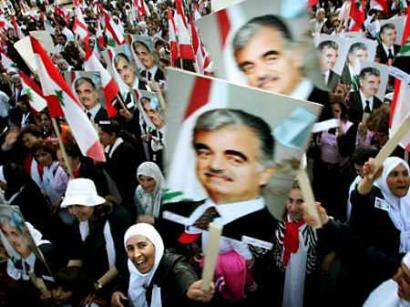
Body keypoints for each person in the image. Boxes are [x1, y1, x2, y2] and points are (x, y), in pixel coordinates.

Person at [159, 109, 278, 305]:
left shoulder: (266, 224)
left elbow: (243, 248)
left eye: (235, 159)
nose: (215, 166)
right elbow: (190, 232)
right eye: (206, 152)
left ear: (264, 173)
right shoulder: (201, 207)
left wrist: (245, 262)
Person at [232, 14, 331, 119]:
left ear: (297, 55)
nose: (261, 74)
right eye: (249, 68)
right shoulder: (260, 120)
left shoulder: (333, 110)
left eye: (271, 58)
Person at [61, 178, 133, 305]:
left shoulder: (118, 217)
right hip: (94, 283)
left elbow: (124, 258)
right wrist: (67, 284)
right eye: (71, 207)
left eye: (80, 205)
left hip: (120, 283)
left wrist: (97, 286)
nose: (74, 211)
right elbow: (76, 254)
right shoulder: (78, 223)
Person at [111, 223, 214, 307]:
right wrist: (118, 291)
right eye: (130, 248)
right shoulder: (130, 265)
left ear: (156, 245)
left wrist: (190, 288)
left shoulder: (171, 264)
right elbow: (123, 279)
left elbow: (182, 272)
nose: (136, 254)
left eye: (142, 246)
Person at [272, 183, 318, 307]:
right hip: (280, 281)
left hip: (306, 284)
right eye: (290, 200)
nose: (293, 208)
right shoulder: (276, 223)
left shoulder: (317, 227)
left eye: (300, 201)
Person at [98, 120, 139, 218]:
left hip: (127, 197)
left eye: (102, 134)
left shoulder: (126, 149)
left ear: (112, 135)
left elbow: (121, 175)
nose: (100, 137)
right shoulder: (108, 149)